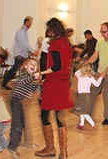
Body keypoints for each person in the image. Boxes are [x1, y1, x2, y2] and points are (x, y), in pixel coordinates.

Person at [34, 17, 74, 159]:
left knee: (45, 115)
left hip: (53, 84)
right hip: (63, 84)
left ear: (52, 30)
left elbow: (56, 66)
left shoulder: (56, 44)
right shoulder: (66, 42)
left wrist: (41, 73)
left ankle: (50, 148)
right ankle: (63, 153)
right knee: (59, 117)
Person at [87, 22, 108, 126]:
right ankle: (87, 114)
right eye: (101, 31)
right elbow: (95, 55)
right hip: (100, 71)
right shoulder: (100, 42)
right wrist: (87, 63)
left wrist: (105, 72)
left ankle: (107, 117)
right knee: (93, 92)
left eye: (104, 32)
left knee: (107, 94)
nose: (102, 34)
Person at [7, 58, 41, 158]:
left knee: (25, 123)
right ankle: (12, 147)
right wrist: (32, 77)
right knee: (17, 124)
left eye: (35, 65)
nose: (33, 66)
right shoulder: (23, 74)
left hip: (24, 102)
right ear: (25, 66)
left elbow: (37, 90)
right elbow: (22, 82)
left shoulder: (33, 79)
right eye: (31, 64)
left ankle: (28, 142)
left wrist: (39, 83)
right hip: (16, 100)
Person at [2, 16, 37, 90]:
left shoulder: (24, 32)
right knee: (15, 69)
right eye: (30, 23)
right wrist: (32, 51)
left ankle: (22, 85)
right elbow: (25, 44)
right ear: (26, 22)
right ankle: (5, 82)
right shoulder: (21, 32)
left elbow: (25, 44)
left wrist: (30, 52)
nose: (31, 25)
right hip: (19, 54)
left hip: (22, 54)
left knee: (21, 69)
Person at [74, 63, 102, 130]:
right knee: (82, 110)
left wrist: (83, 66)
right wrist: (100, 78)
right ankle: (81, 124)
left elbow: (76, 72)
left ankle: (93, 124)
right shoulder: (90, 77)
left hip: (82, 96)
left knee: (83, 112)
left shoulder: (80, 75)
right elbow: (97, 85)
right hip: (86, 96)